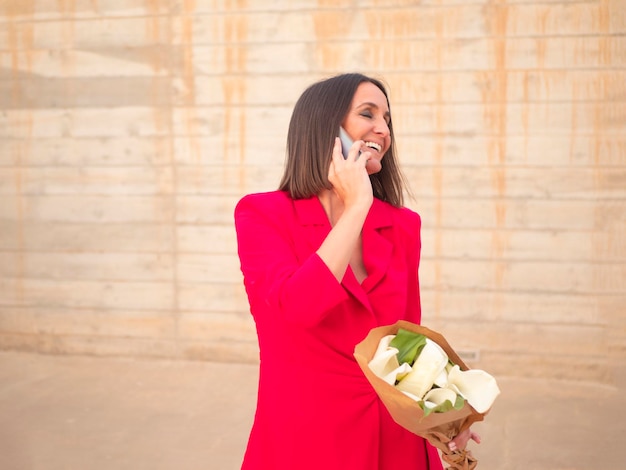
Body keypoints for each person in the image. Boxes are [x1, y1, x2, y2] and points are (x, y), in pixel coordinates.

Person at [234, 73, 479, 469]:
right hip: (305, 435)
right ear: (325, 127)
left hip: (396, 438)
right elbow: (298, 308)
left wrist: (448, 416)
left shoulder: (402, 225)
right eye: (368, 114)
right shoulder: (262, 214)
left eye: (387, 119)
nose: (382, 129)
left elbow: (408, 340)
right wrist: (356, 205)